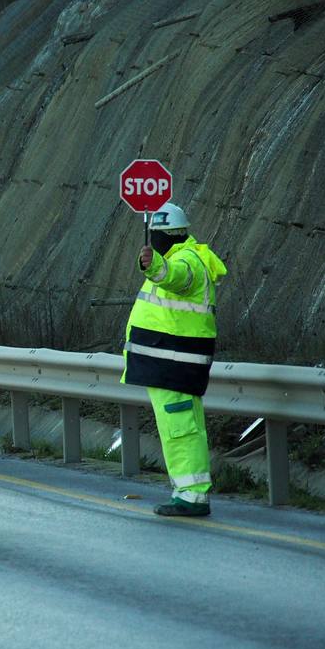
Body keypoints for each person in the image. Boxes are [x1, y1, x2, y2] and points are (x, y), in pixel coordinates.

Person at [122, 203, 227, 516]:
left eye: (156, 237)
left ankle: (191, 496)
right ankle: (189, 492)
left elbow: (176, 278)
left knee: (180, 429)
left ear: (165, 236)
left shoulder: (185, 260)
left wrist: (154, 266)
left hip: (174, 364)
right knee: (184, 428)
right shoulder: (181, 255)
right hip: (171, 364)